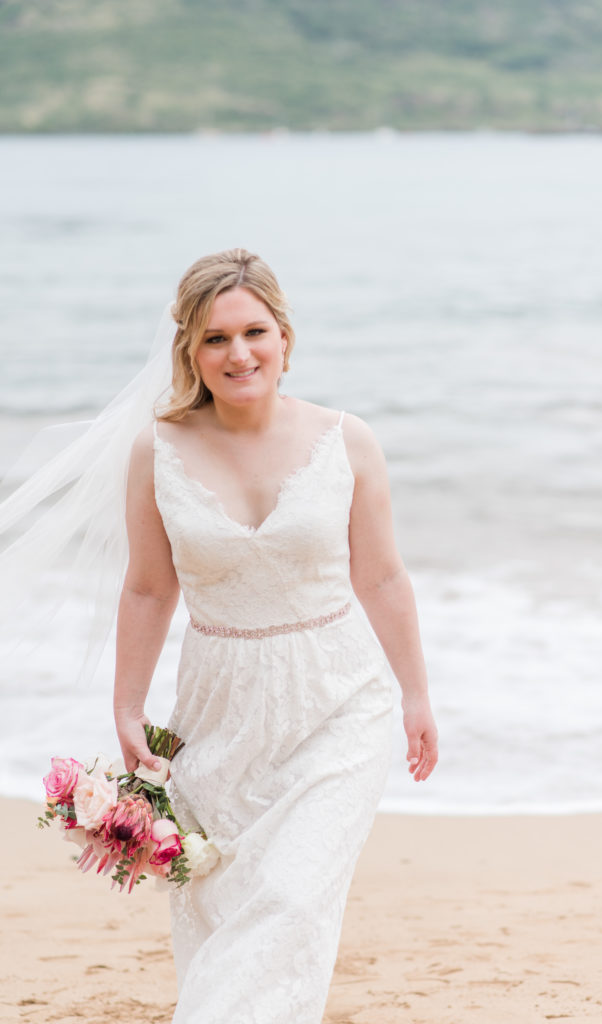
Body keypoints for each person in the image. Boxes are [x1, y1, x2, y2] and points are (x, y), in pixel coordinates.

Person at [80, 248, 440, 1023]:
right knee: (226, 906)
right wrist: (127, 708)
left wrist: (415, 692)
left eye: (254, 332)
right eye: (215, 339)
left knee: (292, 899)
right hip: (218, 705)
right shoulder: (157, 450)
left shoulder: (348, 441)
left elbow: (381, 578)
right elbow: (148, 586)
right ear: (190, 350)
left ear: (283, 335)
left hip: (337, 700)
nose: (238, 354)